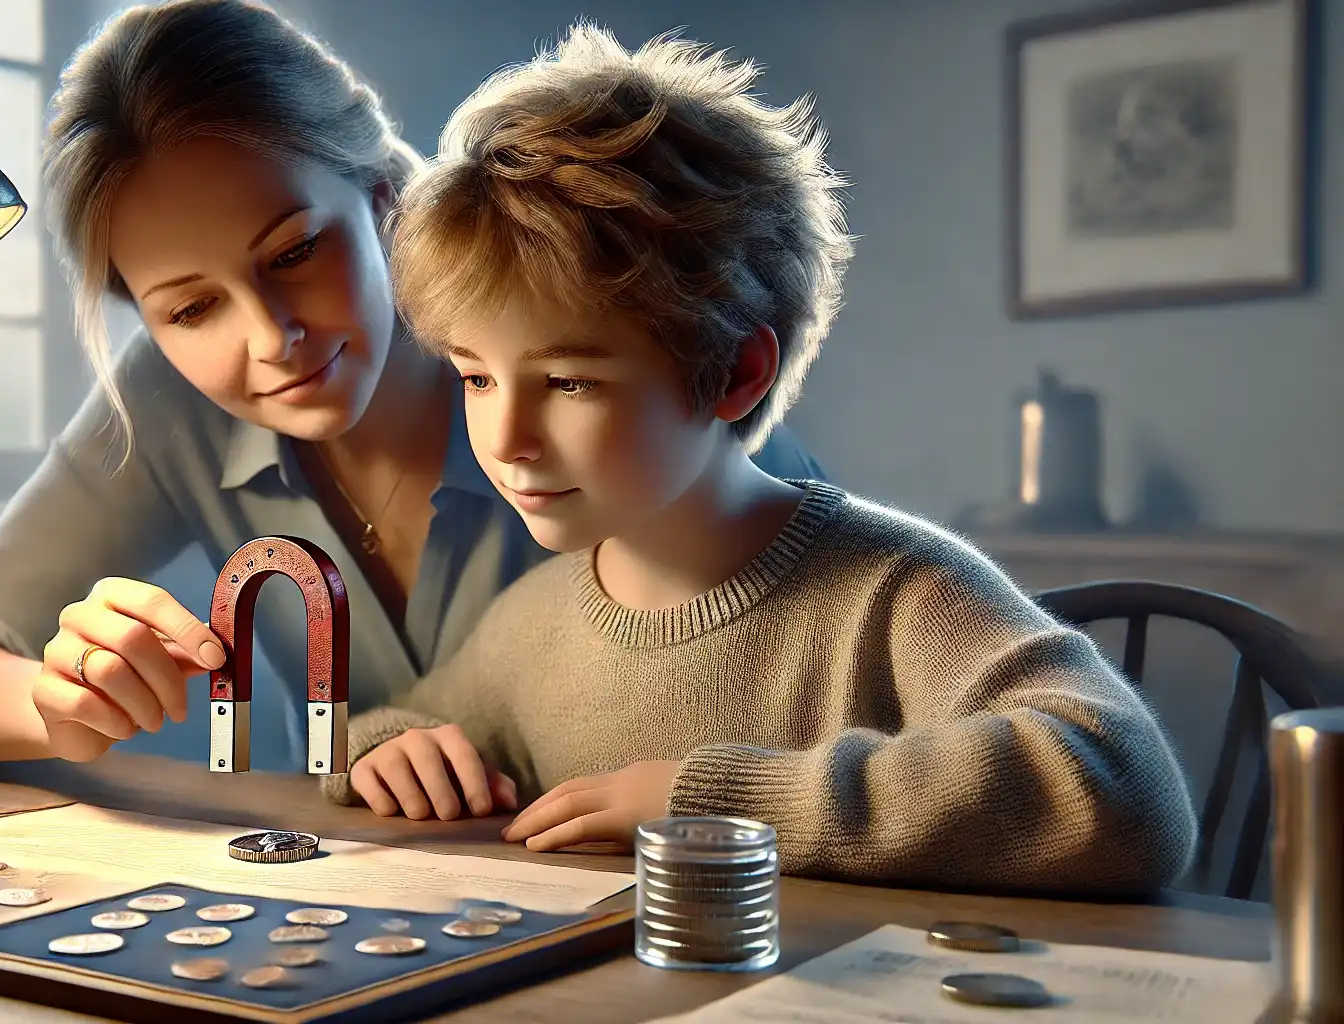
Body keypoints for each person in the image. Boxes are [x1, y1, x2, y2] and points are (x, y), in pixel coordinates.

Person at [324, 24, 1199, 894]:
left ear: (737, 373)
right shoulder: (531, 625)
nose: (504, 438)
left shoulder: (891, 592)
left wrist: (724, 803)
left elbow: (1127, 795)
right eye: (476, 379)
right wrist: (382, 748)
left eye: (568, 383)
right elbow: (400, 728)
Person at [0, 0, 830, 776]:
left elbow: (809, 624)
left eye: (295, 252)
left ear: (383, 199)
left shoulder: (580, 342)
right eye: (189, 311)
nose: (270, 338)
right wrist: (51, 705)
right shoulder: (168, 403)